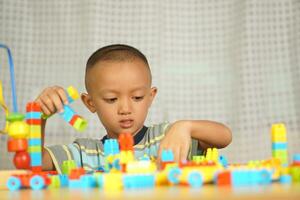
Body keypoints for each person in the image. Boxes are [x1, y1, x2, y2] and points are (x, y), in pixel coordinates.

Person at [35, 44, 232, 173]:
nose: (125, 108)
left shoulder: (168, 137)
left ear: (150, 97)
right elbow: (32, 163)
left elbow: (224, 137)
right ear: (90, 103)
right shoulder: (85, 153)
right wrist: (39, 116)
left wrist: (185, 127)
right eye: (111, 99)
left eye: (137, 97)